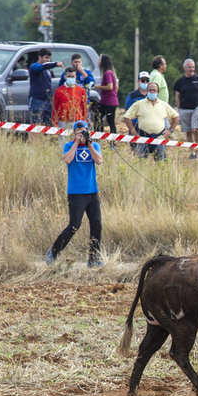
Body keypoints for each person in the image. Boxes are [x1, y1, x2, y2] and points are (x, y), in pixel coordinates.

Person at [46, 121, 103, 268]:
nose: (81, 135)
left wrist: (88, 144)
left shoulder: (94, 146)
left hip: (92, 192)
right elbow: (67, 159)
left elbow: (99, 161)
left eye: (84, 132)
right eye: (79, 132)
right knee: (74, 225)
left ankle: (93, 259)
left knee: (96, 225)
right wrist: (77, 143)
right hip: (76, 193)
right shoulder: (69, 146)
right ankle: (53, 252)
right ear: (74, 133)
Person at [123, 82, 179, 160]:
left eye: (154, 90)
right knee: (140, 164)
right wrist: (134, 132)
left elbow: (175, 116)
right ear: (147, 91)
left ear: (158, 92)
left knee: (160, 164)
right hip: (143, 138)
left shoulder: (164, 105)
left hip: (159, 138)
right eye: (150, 90)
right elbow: (126, 117)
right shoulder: (139, 104)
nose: (152, 92)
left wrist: (170, 130)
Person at [174, 59, 198, 159]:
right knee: (188, 131)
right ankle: (192, 152)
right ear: (184, 68)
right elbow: (177, 96)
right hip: (184, 109)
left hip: (197, 107)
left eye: (193, 67)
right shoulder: (180, 81)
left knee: (195, 129)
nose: (191, 69)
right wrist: (179, 108)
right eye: (189, 67)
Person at [28, 48, 63, 125]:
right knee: (36, 124)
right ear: (39, 57)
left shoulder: (47, 70)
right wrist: (55, 64)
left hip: (47, 100)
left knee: (49, 123)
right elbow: (42, 67)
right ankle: (34, 137)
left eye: (49, 58)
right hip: (36, 99)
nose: (48, 60)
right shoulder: (34, 66)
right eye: (46, 57)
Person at [52, 67, 88, 131]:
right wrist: (55, 122)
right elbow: (55, 108)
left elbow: (84, 107)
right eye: (69, 76)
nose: (71, 78)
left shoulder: (81, 90)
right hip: (63, 121)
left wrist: (84, 121)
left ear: (75, 76)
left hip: (77, 121)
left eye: (72, 77)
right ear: (65, 77)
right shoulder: (59, 91)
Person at [96, 54, 119, 135]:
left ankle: (100, 136)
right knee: (106, 120)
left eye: (99, 60)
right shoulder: (111, 73)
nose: (98, 62)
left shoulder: (107, 73)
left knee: (99, 119)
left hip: (108, 102)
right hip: (108, 101)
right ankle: (103, 137)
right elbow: (116, 87)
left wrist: (98, 87)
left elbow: (110, 87)